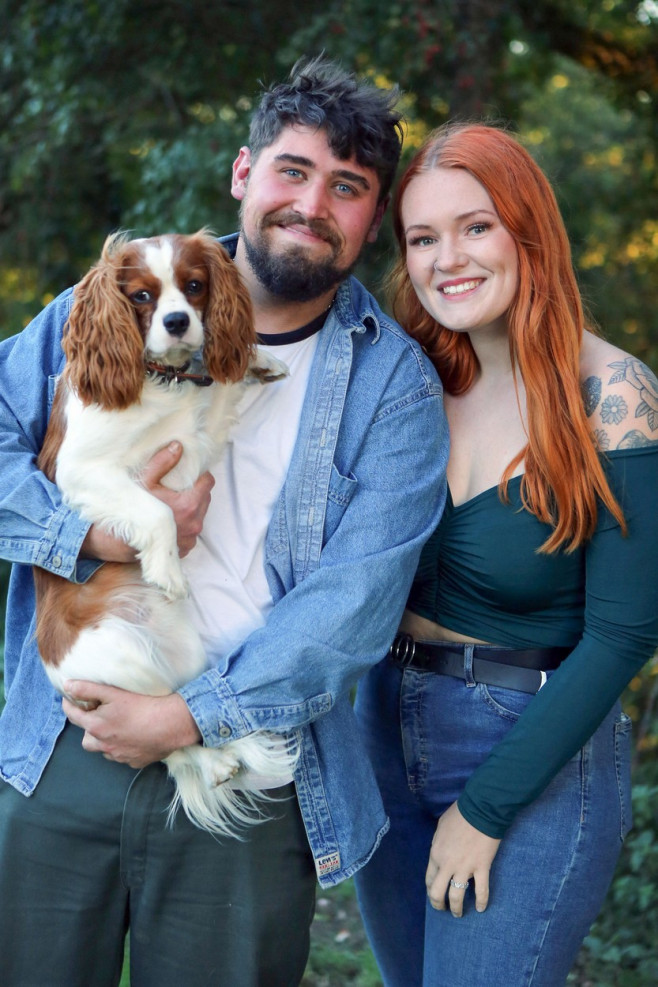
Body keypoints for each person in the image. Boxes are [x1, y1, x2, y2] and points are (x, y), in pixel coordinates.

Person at [0, 58, 448, 987]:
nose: (313, 203)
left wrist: (186, 717)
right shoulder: (108, 299)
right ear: (244, 173)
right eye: (293, 170)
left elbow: (355, 605)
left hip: (244, 758)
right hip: (64, 735)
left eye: (348, 187)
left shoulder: (393, 385)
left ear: (374, 216)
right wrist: (88, 535)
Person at [353, 122, 658, 987]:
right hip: (382, 730)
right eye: (422, 237)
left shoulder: (616, 396)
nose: (448, 257)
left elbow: (626, 634)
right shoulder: (404, 381)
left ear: (528, 230)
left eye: (475, 226)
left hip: (532, 745)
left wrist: (485, 809)